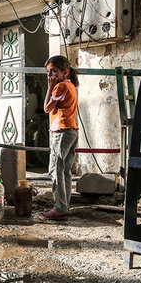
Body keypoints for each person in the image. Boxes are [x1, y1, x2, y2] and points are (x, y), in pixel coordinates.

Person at [39, 55, 79, 221]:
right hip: (71, 131)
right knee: (65, 171)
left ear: (65, 72)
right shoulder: (71, 86)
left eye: (54, 71)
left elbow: (47, 108)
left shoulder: (60, 87)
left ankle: (60, 207)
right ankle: (64, 205)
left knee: (57, 170)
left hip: (61, 132)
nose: (51, 76)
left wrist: (49, 87)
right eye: (49, 72)